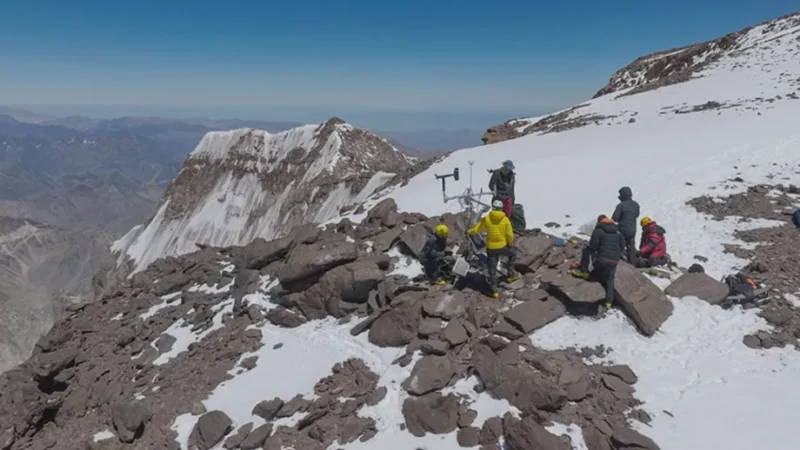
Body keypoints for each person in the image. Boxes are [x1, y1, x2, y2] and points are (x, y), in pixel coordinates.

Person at [571, 215, 626, 309]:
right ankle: (609, 302)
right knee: (610, 279)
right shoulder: (618, 231)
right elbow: (623, 245)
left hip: (603, 258)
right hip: (614, 260)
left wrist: (595, 252)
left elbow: (593, 246)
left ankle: (584, 271)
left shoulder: (598, 230)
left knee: (586, 251)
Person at [467, 199, 520, 297]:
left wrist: (469, 231)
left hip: (491, 248)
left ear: (493, 207)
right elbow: (509, 235)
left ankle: (494, 290)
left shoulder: (487, 218)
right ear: (501, 209)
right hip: (502, 246)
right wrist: (509, 244)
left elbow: (477, 229)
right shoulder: (505, 220)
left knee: (492, 268)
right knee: (513, 254)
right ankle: (511, 275)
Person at [611, 186, 640, 263]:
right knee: (631, 246)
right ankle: (632, 262)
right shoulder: (636, 205)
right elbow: (637, 215)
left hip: (622, 228)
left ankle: (617, 260)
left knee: (619, 244)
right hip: (633, 229)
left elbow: (614, 218)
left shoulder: (621, 205)